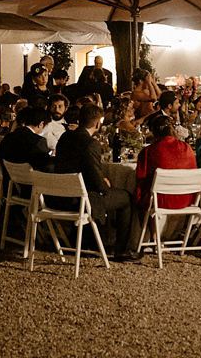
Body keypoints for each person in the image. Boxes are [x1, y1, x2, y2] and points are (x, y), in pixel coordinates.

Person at [54, 103, 139, 261]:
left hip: (59, 196)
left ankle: (92, 240)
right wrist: (104, 185)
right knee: (126, 198)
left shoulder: (66, 137)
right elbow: (94, 179)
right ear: (98, 123)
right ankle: (122, 249)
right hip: (80, 200)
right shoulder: (90, 143)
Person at [134, 114, 198, 240]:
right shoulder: (186, 148)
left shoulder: (149, 151)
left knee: (146, 194)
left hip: (162, 200)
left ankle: (151, 235)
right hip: (186, 198)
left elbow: (141, 179)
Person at [0, 107, 53, 171]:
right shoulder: (38, 141)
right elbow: (46, 166)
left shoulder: (9, 137)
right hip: (31, 184)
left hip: (11, 183)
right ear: (41, 124)